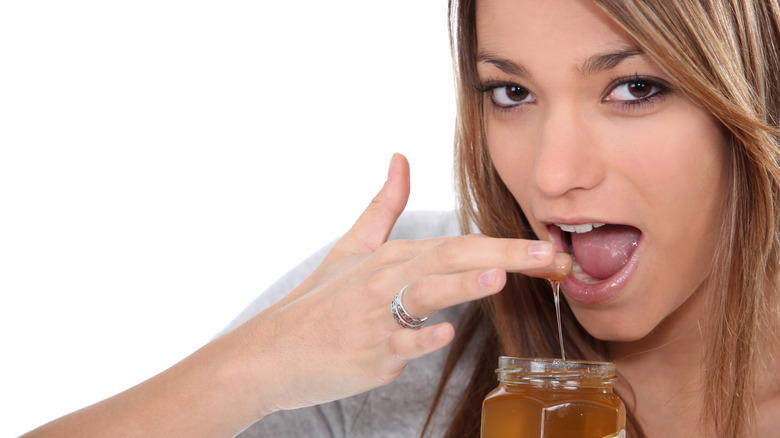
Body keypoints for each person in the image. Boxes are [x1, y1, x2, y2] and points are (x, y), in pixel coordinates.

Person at [23, 0, 780, 436]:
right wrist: (252, 368)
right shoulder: (403, 314)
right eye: (511, 93)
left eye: (635, 88)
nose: (552, 174)